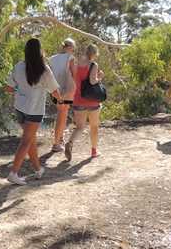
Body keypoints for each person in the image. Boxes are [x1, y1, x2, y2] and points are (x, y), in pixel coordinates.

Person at [6, 38, 61, 185]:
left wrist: (21, 90)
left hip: (20, 108)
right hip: (34, 111)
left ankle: (38, 169)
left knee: (30, 139)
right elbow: (55, 91)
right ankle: (14, 173)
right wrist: (61, 100)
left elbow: (9, 88)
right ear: (40, 51)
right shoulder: (44, 69)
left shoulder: (18, 66)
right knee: (26, 141)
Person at [65, 44, 103, 161]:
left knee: (80, 127)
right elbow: (92, 81)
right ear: (94, 54)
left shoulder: (76, 64)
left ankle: (70, 143)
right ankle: (94, 151)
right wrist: (100, 77)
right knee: (94, 127)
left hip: (78, 100)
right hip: (92, 101)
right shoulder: (93, 65)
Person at [48, 38, 77, 152]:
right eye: (73, 48)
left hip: (55, 90)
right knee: (62, 114)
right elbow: (74, 75)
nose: (73, 50)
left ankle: (59, 139)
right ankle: (56, 144)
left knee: (61, 114)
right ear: (70, 47)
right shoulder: (70, 58)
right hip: (67, 91)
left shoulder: (52, 59)